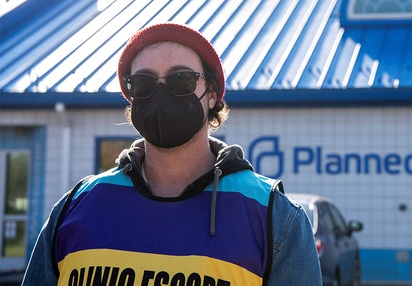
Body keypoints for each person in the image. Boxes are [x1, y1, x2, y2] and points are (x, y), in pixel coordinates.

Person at [21, 22, 322, 286]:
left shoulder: (275, 217)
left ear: (213, 94)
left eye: (181, 80)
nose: (161, 94)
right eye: (144, 83)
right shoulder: (76, 206)